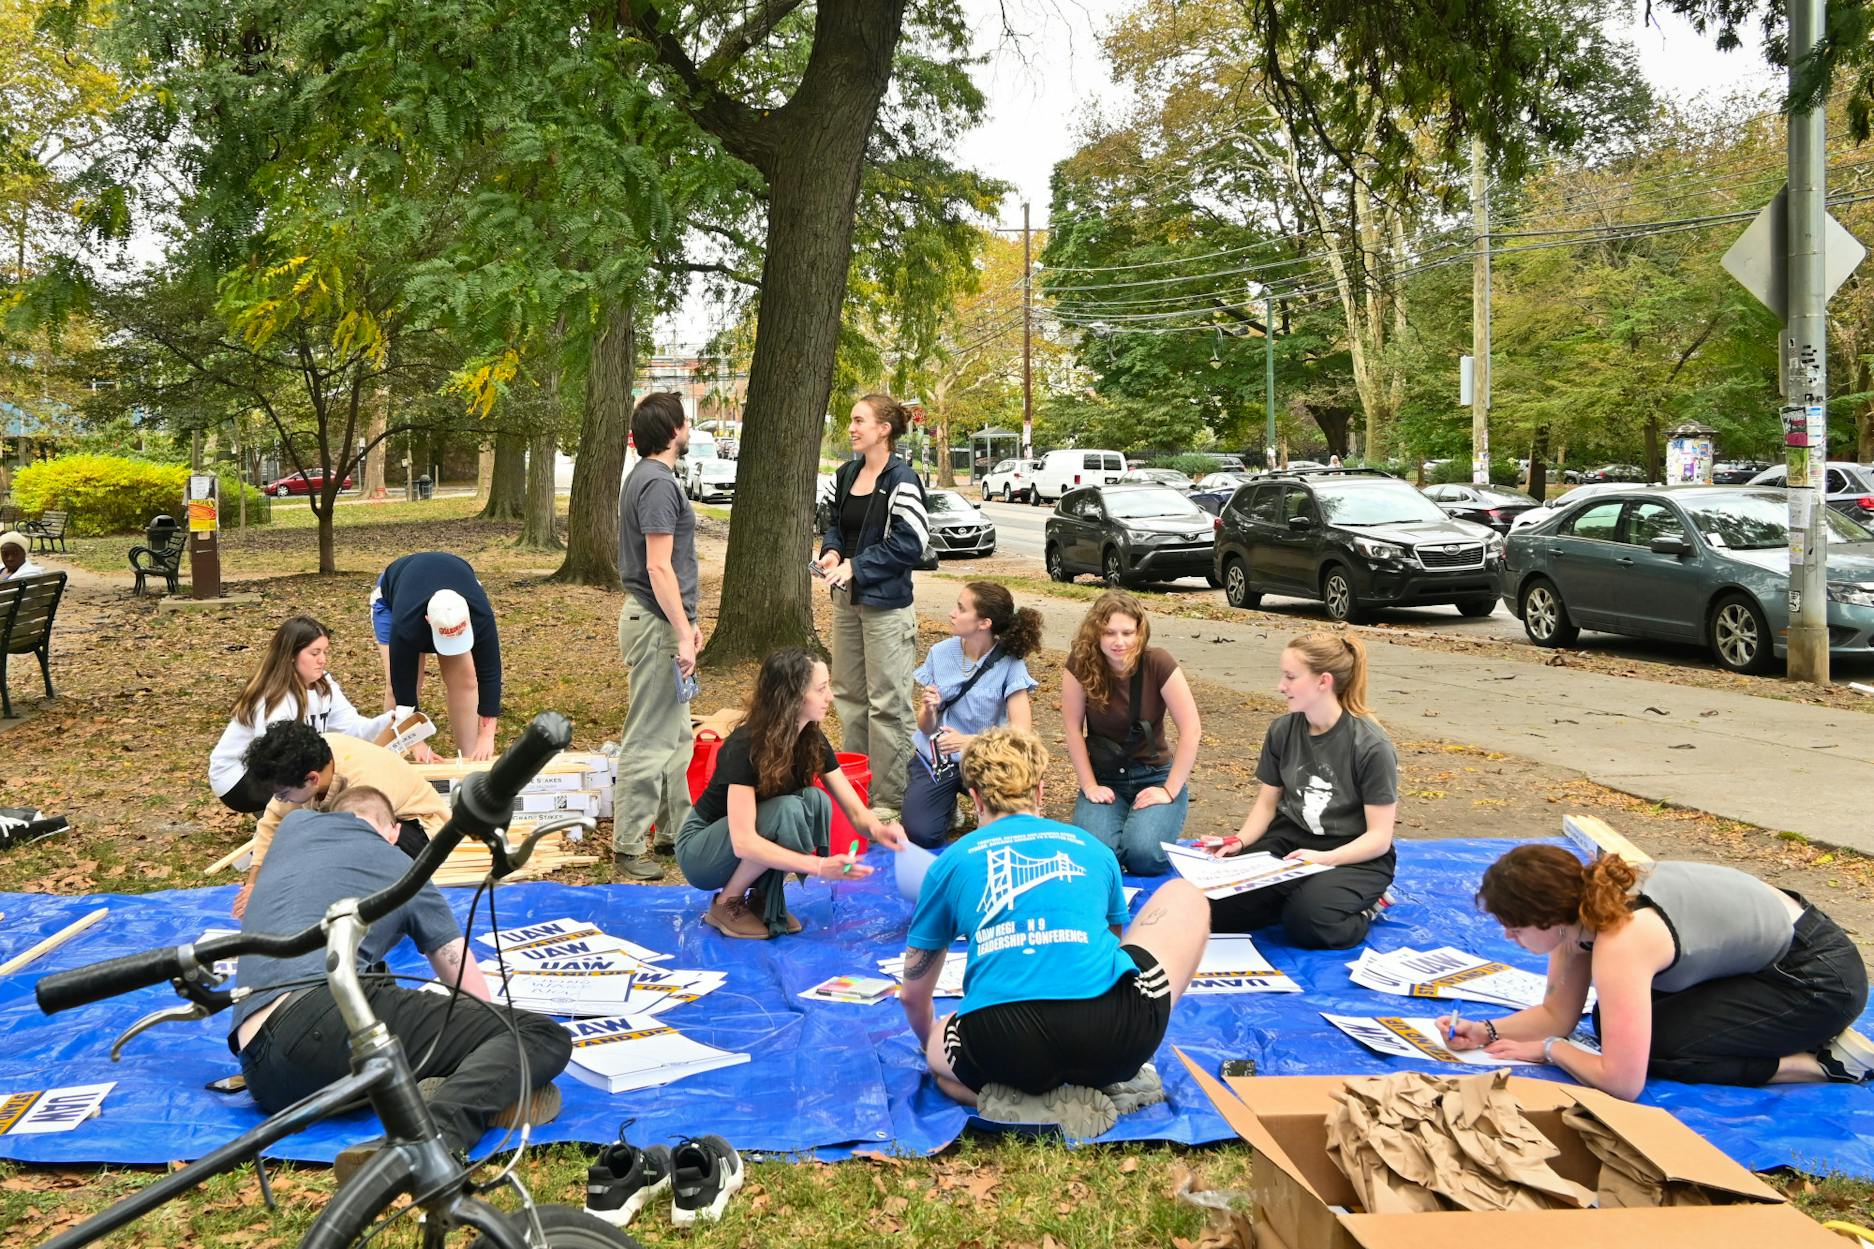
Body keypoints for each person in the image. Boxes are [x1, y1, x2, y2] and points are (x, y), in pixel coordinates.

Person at [231, 786, 568, 1179]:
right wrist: (482, 1035)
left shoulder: (294, 829)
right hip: (318, 1023)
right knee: (536, 1036)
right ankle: (432, 1140)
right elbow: (468, 985)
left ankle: (443, 1080)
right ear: (393, 830)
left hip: (261, 1072)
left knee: (376, 980)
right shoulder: (406, 870)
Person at [899, 727, 1209, 1137]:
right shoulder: (1093, 848)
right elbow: (1114, 951)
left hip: (1002, 1047)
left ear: (974, 799)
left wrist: (929, 1047)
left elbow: (912, 994)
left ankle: (1027, 1103)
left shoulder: (950, 862)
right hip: (1115, 1038)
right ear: (1041, 791)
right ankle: (1115, 1080)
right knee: (1186, 895)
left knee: (943, 1070)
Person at [1442, 845, 1873, 1098]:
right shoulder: (1579, 909)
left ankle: (1819, 1063)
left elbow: (1623, 1082)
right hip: (1772, 961)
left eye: (1514, 929)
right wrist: (1489, 1031)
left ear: (1550, 918)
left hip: (1817, 979)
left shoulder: (1621, 938)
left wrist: (1552, 1050)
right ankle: (1789, 1032)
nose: (1507, 938)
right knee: (1609, 1027)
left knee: (1655, 1051)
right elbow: (1557, 1014)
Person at [675, 648, 906, 939]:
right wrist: (821, 866)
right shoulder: (744, 746)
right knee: (787, 810)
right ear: (792, 697)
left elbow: (856, 811)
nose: (830, 696)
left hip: (739, 840)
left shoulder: (810, 737)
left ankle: (763, 895)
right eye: (821, 689)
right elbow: (744, 842)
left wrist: (879, 830)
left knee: (815, 801)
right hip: (701, 851)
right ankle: (726, 902)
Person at [1206, 633, 1397, 948]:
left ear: (1323, 681)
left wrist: (1327, 859)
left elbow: (1379, 837)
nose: (1281, 686)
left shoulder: (1371, 746)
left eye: (1291, 677)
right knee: (1213, 907)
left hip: (1353, 853)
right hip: (1291, 841)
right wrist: (1239, 841)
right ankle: (1296, 895)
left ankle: (1367, 906)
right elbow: (1267, 805)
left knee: (1309, 923)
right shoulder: (1283, 730)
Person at [814, 393, 928, 820]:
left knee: (888, 704)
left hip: (886, 609)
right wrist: (830, 554)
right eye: (850, 420)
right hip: (847, 603)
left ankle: (890, 800)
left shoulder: (902, 479)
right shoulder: (846, 474)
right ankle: (854, 791)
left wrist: (856, 567)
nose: (851, 427)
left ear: (884, 429)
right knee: (848, 696)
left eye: (859, 420)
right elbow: (834, 527)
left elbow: (910, 543)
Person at [612, 392, 703, 880]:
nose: (688, 430)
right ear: (672, 431)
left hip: (664, 621)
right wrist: (683, 632)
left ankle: (673, 832)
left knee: (677, 736)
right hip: (655, 624)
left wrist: (688, 624)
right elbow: (657, 566)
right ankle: (628, 845)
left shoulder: (653, 479)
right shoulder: (656, 484)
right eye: (685, 423)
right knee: (650, 736)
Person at [231, 720, 451, 918]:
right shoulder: (306, 760)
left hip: (414, 829)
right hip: (350, 830)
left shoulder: (364, 787)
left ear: (312, 779)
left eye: (283, 795)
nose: (281, 799)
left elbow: (360, 850)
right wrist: (253, 884)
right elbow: (272, 821)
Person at [1059, 591, 1200, 875]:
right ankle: (1119, 827)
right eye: (1109, 632)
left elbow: (1191, 730)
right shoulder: (1080, 665)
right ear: (1095, 632)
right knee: (1094, 857)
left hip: (1154, 774)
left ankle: (1140, 828)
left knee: (1144, 857)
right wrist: (1089, 786)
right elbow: (1073, 729)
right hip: (1106, 776)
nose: (1119, 642)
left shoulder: (1157, 662)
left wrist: (1169, 790)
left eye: (1127, 632)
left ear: (1140, 632)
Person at [903, 582, 1043, 849]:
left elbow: (1021, 733)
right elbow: (925, 726)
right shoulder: (940, 653)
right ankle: (949, 808)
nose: (952, 613)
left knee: (1004, 834)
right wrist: (930, 710)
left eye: (961, 608)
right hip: (941, 759)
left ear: (984, 623)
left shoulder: (1011, 662)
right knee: (921, 833)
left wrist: (971, 742)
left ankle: (988, 807)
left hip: (989, 761)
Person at [208, 616, 394, 814]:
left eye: (324, 652)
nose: (322, 660)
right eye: (314, 653)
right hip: (240, 778)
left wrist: (391, 721)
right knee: (322, 775)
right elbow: (275, 756)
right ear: (291, 655)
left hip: (283, 768)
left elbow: (353, 729)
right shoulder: (275, 696)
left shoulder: (325, 686)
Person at [373, 551, 502, 763]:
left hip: (451, 590)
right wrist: (416, 741)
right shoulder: (405, 625)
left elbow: (490, 675)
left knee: (466, 680)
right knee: (398, 685)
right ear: (427, 621)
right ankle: (393, 760)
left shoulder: (480, 615)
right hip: (393, 599)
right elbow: (402, 686)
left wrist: (486, 737)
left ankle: (470, 757)